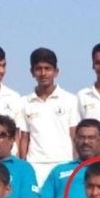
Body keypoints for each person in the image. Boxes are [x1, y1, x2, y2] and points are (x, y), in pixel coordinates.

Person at [18, 47, 79, 186]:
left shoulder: (70, 99)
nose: (43, 73)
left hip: (64, 162)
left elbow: (74, 135)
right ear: (32, 72)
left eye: (48, 68)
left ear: (56, 71)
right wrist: (23, 164)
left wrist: (75, 164)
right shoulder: (24, 102)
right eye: (38, 69)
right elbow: (24, 138)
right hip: (35, 164)